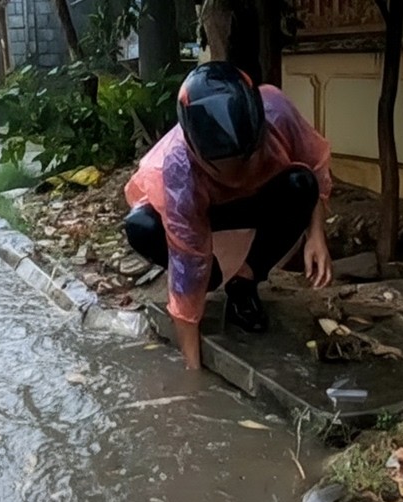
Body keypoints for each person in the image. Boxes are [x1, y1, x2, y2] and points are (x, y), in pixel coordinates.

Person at [123, 61, 334, 370]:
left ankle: (243, 282)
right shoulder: (178, 171)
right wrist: (192, 374)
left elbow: (314, 165)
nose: (237, 177)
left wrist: (316, 235)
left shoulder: (277, 110)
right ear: (199, 156)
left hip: (262, 197)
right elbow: (186, 265)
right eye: (225, 169)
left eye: (245, 161)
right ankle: (216, 279)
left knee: (301, 185)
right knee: (141, 226)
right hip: (202, 211)